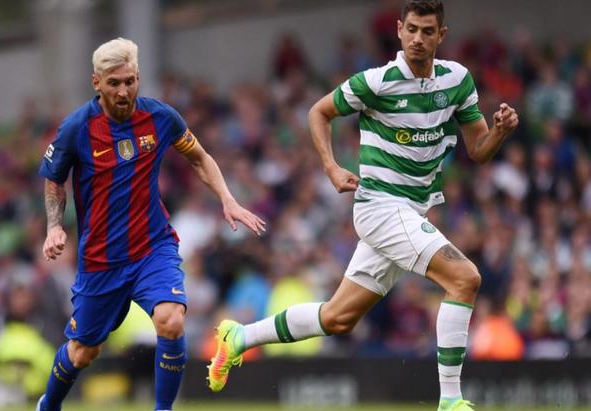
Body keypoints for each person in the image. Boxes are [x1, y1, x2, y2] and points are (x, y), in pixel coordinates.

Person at [206, 2, 518, 411]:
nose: (418, 39)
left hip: (411, 212)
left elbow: (478, 150)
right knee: (465, 278)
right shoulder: (377, 82)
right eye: (412, 29)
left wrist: (498, 132)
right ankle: (451, 400)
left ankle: (239, 337)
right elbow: (319, 112)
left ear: (441, 35)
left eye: (427, 31)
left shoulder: (457, 80)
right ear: (399, 30)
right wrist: (331, 167)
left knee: (338, 317)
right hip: (380, 208)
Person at [37, 37, 266, 411]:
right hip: (101, 260)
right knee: (83, 352)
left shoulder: (160, 117)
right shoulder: (77, 128)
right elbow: (53, 180)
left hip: (152, 248)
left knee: (171, 320)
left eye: (130, 81)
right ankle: (48, 406)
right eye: (114, 83)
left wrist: (228, 199)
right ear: (97, 83)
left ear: (138, 78)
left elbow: (199, 157)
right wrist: (54, 226)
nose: (123, 91)